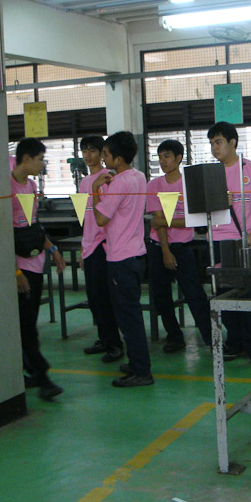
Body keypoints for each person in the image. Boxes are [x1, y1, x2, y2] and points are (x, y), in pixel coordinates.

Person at [208, 121, 251, 362]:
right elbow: (201, 211)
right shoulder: (211, 174)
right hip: (218, 242)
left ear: (233, 142)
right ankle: (236, 341)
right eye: (212, 144)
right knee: (224, 297)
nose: (215, 148)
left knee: (248, 297)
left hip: (244, 242)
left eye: (219, 142)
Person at [91, 131, 153, 388]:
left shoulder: (119, 183)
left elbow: (100, 219)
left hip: (121, 258)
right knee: (131, 312)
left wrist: (96, 189)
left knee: (128, 317)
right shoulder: (138, 177)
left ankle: (141, 370)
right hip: (136, 254)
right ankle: (137, 362)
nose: (103, 159)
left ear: (118, 158)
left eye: (106, 155)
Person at [12, 138, 66, 400]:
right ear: (26, 159)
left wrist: (52, 249)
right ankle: (43, 377)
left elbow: (33, 225)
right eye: (40, 159)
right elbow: (3, 233)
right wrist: (16, 272)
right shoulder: (6, 188)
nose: (42, 164)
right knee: (26, 326)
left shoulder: (32, 187)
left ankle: (31, 371)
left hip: (35, 264)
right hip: (20, 267)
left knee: (28, 322)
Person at [147, 139, 211, 352]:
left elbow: (195, 220)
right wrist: (165, 251)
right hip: (159, 247)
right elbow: (157, 222)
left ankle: (211, 338)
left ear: (179, 158)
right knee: (161, 296)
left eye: (167, 156)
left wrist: (166, 221)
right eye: (160, 157)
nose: (162, 161)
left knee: (195, 294)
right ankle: (174, 336)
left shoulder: (189, 185)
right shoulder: (154, 186)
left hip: (184, 247)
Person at [78, 135, 123, 362]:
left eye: (92, 150)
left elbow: (107, 216)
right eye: (84, 151)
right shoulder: (84, 183)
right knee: (93, 297)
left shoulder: (107, 179)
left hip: (102, 245)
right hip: (89, 246)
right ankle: (104, 338)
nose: (88, 155)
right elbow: (85, 219)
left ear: (101, 153)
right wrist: (82, 248)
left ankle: (115, 343)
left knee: (104, 297)